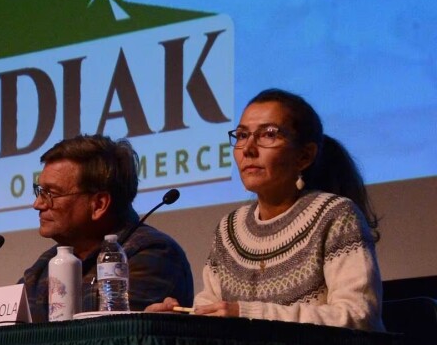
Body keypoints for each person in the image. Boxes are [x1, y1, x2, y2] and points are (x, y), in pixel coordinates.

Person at [146, 88, 384, 331]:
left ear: (304, 156)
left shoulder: (336, 215)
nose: (248, 149)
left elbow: (358, 316)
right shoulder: (229, 229)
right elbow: (211, 313)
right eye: (241, 135)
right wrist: (175, 321)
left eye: (269, 134)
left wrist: (248, 314)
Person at [19, 134, 194, 323]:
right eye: (39, 191)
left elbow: (114, 334)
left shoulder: (154, 255)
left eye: (51, 193)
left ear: (99, 204)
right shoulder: (44, 267)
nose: (37, 204)